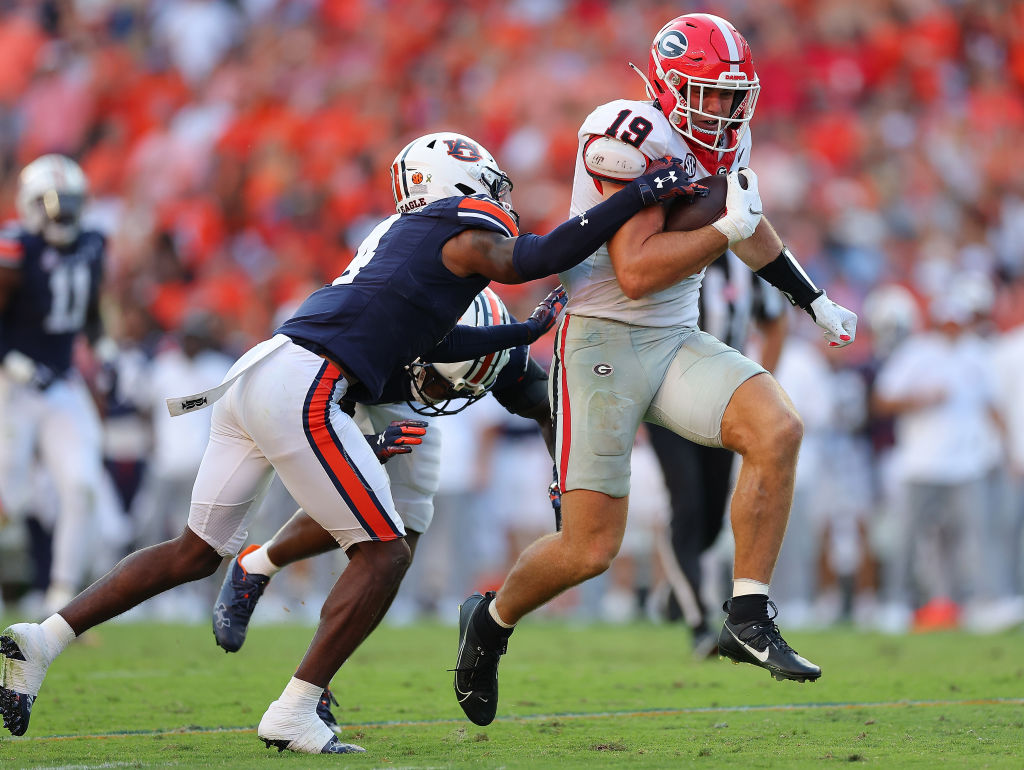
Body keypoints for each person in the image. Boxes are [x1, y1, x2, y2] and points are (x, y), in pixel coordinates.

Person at [1, 131, 699, 752]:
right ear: (461, 181)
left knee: (192, 553)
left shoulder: (411, 244)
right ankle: (297, 708)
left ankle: (43, 639)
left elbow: (435, 338)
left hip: (260, 372)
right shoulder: (460, 220)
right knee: (385, 553)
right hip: (305, 384)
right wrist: (637, 191)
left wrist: (520, 335)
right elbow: (538, 255)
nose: (499, 194)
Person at [451, 14, 859, 727]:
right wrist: (724, 230)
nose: (727, 109)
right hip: (601, 345)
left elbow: (750, 226)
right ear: (669, 86)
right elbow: (635, 271)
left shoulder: (729, 138)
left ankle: (747, 614)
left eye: (735, 95)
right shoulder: (626, 134)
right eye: (710, 92)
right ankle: (490, 619)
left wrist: (811, 297)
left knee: (778, 428)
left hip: (675, 338)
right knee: (589, 548)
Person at [209, 287, 554, 733]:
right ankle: (305, 680)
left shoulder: (494, 354)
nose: (447, 394)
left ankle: (261, 571)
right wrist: (372, 448)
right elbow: (320, 430)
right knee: (379, 540)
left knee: (402, 541)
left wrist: (563, 476)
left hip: (397, 401)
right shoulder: (378, 338)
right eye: (441, 381)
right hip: (329, 395)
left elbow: (547, 408)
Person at [646, 250, 787, 656]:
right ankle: (700, 625)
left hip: (724, 402)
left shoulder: (746, 266)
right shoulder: (672, 255)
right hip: (667, 397)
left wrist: (762, 388)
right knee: (686, 509)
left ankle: (680, 589)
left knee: (710, 520)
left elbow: (775, 320)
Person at [0, 154, 110, 615]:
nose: (61, 212)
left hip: (60, 382)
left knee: (82, 485)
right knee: (7, 497)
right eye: (52, 203)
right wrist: (9, 357)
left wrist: (102, 348)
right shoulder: (14, 245)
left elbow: (88, 311)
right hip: (11, 386)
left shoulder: (93, 243)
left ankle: (62, 603)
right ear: (30, 204)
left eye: (69, 202)